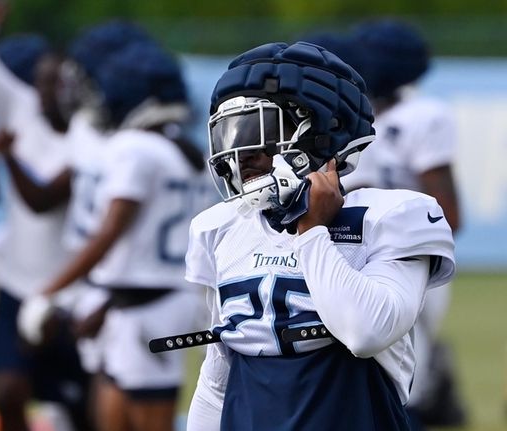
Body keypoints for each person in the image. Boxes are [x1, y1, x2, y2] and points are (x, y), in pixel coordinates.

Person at [183, 41, 456, 430]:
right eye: (229, 134)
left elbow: (365, 331)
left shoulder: (391, 217)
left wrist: (311, 231)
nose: (239, 153)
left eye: (255, 130)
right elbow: (216, 379)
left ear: (317, 134)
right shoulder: (220, 227)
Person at [14, 40, 208, 431]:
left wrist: (49, 290)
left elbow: (112, 230)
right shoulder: (189, 151)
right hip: (151, 298)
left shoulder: (133, 147)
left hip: (145, 303)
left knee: (147, 417)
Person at [0, 3, 93, 431]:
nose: (46, 93)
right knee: (8, 392)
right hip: (16, 286)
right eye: (41, 83)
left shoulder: (88, 137)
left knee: (82, 409)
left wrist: (7, 154)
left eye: (56, 83)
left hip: (69, 294)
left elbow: (43, 199)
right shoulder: (22, 108)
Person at [340, 19, 466, 429]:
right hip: (356, 256)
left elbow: (448, 212)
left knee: (404, 382)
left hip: (408, 257)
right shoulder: (356, 112)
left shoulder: (421, 115)